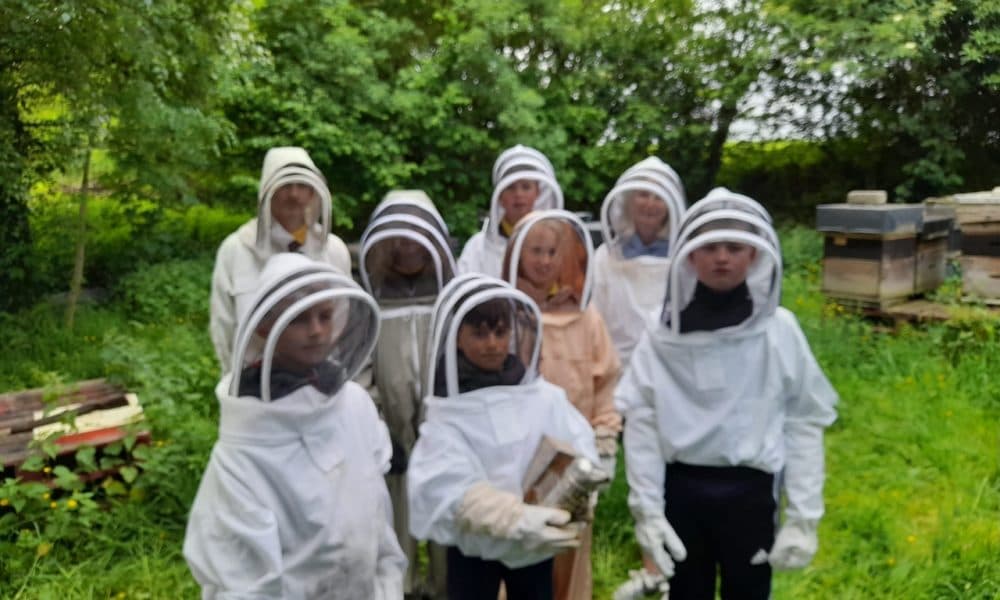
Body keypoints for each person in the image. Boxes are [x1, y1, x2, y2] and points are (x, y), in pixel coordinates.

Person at [618, 191, 838, 600]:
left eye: (734, 247)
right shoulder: (661, 334)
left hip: (750, 492)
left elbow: (803, 420)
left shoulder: (779, 331)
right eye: (709, 247)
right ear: (688, 256)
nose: (722, 257)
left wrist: (804, 516)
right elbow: (642, 421)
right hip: (681, 489)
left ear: (754, 254)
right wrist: (646, 508)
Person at [184, 252, 405, 599]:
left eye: (325, 316)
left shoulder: (354, 404)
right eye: (300, 318)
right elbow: (241, 579)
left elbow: (376, 517)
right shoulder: (244, 448)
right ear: (264, 326)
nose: (317, 331)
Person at [407, 275, 599, 600]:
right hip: (473, 549)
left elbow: (580, 448)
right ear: (456, 337)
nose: (493, 344)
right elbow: (447, 483)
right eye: (479, 334)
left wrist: (577, 493)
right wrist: (514, 518)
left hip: (534, 546)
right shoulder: (449, 409)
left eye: (500, 332)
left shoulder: (542, 396)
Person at [503, 210, 622, 600]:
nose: (543, 260)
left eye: (552, 251)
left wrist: (604, 439)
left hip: (575, 459)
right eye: (535, 251)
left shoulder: (587, 317)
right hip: (516, 459)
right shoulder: (502, 313)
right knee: (517, 554)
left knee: (570, 552)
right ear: (518, 255)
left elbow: (605, 383)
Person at [359, 189, 456, 599]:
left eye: (417, 236)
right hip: (395, 440)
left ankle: (443, 588)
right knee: (396, 530)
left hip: (445, 437)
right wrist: (380, 428)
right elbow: (362, 373)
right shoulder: (369, 302)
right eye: (399, 237)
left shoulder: (449, 297)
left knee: (446, 527)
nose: (408, 246)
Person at [210, 146, 351, 372]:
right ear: (268, 191)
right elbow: (223, 324)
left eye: (302, 186)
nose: (294, 194)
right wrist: (234, 382)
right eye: (285, 186)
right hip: (254, 383)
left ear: (313, 192)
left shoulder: (333, 250)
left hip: (319, 381)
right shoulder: (236, 250)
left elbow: (342, 318)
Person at [592, 157, 686, 367]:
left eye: (659, 197)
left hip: (669, 366)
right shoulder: (604, 258)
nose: (650, 204)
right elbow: (595, 321)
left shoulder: (685, 261)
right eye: (643, 194)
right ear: (629, 200)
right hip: (615, 370)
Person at [457, 144, 563, 277]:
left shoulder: (556, 246)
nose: (518, 194)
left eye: (526, 187)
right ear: (500, 195)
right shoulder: (477, 248)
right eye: (511, 187)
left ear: (538, 192)